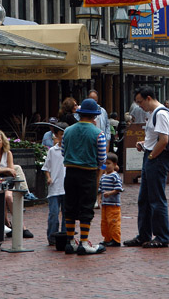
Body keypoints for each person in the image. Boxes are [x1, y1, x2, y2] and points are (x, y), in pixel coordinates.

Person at [124, 85, 169, 248]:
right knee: (144, 199)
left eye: (140, 101)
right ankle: (144, 234)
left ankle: (162, 236)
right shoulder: (153, 114)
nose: (139, 105)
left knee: (156, 199)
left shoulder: (161, 113)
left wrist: (151, 155)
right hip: (151, 156)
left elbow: (164, 140)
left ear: (149, 98)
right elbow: (156, 139)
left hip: (156, 159)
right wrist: (145, 145)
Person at [61, 98, 107, 255]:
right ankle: (84, 242)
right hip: (88, 173)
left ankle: (70, 241)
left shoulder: (67, 131)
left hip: (70, 172)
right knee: (86, 207)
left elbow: (63, 152)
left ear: (80, 114)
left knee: (70, 206)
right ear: (94, 116)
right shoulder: (98, 133)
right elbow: (102, 158)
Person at [0, 129, 34, 238]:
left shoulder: (8, 153)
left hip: (6, 181)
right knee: (1, 197)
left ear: (3, 142)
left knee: (9, 197)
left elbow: (12, 171)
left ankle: (21, 225)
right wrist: (3, 169)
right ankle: (7, 224)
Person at [41, 122, 68, 246]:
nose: (63, 137)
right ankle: (52, 237)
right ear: (56, 135)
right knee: (53, 213)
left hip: (67, 187)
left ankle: (65, 236)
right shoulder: (52, 150)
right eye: (61, 134)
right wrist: (48, 178)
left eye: (65, 134)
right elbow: (46, 167)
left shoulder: (71, 150)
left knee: (67, 214)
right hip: (54, 187)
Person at [97, 152, 123, 246]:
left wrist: (110, 193)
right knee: (105, 223)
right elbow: (100, 189)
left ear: (115, 164)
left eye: (108, 163)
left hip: (113, 204)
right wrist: (99, 198)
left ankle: (116, 240)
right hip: (105, 204)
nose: (106, 166)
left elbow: (119, 188)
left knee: (113, 222)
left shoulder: (115, 176)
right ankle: (107, 238)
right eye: (105, 164)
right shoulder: (103, 176)